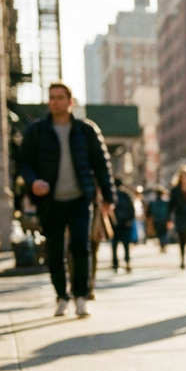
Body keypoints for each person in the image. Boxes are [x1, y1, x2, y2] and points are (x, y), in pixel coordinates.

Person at [17, 82, 116, 318]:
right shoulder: (37, 131)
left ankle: (81, 297)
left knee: (81, 247)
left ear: (70, 102)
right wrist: (33, 182)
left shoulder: (86, 130)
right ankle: (62, 297)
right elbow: (24, 162)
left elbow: (102, 164)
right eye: (52, 97)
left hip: (80, 199)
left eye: (60, 97)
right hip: (50, 202)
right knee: (54, 251)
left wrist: (108, 196)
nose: (55, 101)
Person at [111, 179, 136, 273]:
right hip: (125, 222)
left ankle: (115, 263)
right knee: (126, 244)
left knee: (114, 244)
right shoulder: (126, 195)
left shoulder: (112, 195)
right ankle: (127, 262)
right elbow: (132, 209)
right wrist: (129, 219)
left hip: (114, 223)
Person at [146, 186, 172, 253]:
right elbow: (169, 211)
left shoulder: (153, 202)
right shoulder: (166, 202)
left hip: (156, 220)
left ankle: (162, 245)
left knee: (160, 233)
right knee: (164, 233)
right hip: (164, 220)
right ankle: (163, 245)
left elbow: (148, 213)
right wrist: (169, 219)